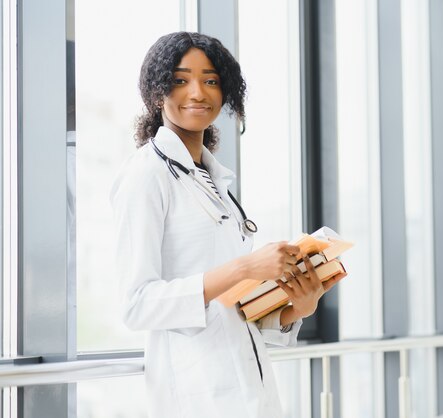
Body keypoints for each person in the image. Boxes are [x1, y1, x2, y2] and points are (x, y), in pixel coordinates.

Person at [110, 32, 345, 418]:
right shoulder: (146, 175)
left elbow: (233, 313)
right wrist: (244, 268)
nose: (198, 92)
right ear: (156, 92)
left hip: (252, 393)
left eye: (212, 80)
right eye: (181, 79)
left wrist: (295, 311)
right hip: (195, 395)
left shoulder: (213, 179)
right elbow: (137, 305)